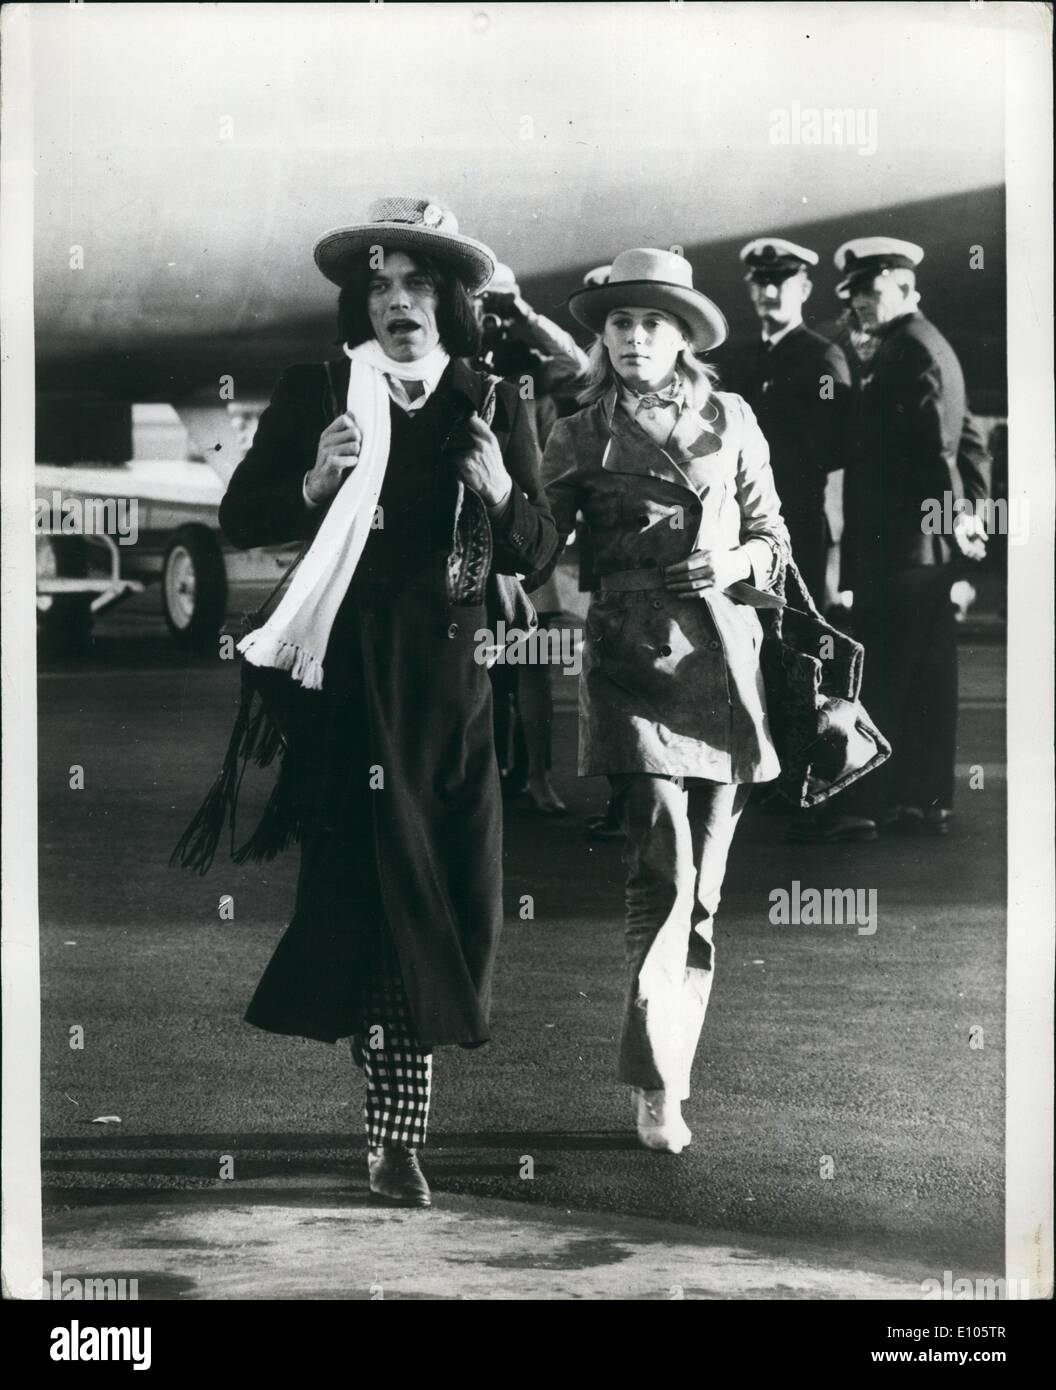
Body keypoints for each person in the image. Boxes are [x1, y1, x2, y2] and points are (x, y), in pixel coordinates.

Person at [216, 196, 557, 1205]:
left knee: (451, 910)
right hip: (346, 694)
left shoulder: (494, 399)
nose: (398, 302)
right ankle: (398, 1138)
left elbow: (539, 552)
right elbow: (244, 515)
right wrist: (313, 488)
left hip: (449, 698)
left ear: (452, 298)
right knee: (378, 902)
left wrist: (501, 495)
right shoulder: (320, 386)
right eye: (380, 285)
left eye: (416, 284)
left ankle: (391, 1096)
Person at [540, 248, 790, 1152]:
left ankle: (669, 1069)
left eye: (653, 321)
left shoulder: (733, 419)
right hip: (632, 669)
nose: (635, 335)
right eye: (619, 322)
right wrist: (491, 486)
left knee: (707, 892)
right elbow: (533, 547)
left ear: (683, 336)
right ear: (601, 339)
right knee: (664, 877)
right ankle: (657, 1090)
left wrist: (734, 562)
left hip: (726, 663)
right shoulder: (577, 430)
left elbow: (775, 537)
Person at [811, 236, 991, 841]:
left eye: (872, 288)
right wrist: (965, 519)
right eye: (855, 291)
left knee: (883, 674)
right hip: (923, 552)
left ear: (906, 287)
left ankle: (864, 806)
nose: (860, 300)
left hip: (900, 549)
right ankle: (925, 799)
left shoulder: (906, 350)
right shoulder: (926, 344)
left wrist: (954, 516)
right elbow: (970, 439)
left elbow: (936, 448)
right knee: (927, 677)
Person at [473, 263, 589, 814]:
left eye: (501, 307)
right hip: (479, 537)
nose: (492, 318)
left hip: (531, 528)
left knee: (533, 658)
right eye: (482, 303)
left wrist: (522, 313)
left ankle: (538, 772)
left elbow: (580, 365)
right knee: (483, 663)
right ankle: (495, 772)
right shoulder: (456, 361)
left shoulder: (532, 365)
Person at [724, 237, 851, 611]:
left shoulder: (821, 357)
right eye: (761, 282)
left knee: (797, 635)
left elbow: (836, 443)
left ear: (805, 289)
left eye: (781, 282)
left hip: (796, 521)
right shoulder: (742, 360)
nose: (770, 291)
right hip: (742, 527)